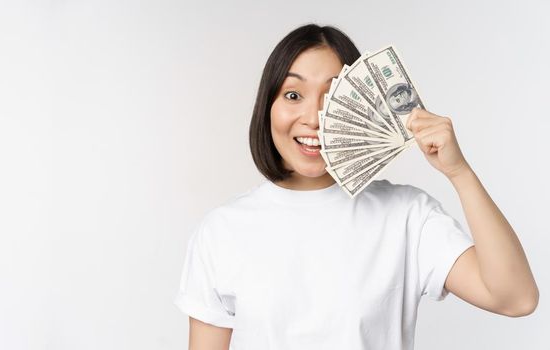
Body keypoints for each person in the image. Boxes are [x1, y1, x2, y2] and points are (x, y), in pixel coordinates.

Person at [173, 24, 538, 350]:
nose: (313, 118)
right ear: (267, 107)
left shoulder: (406, 216)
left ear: (360, 106)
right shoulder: (222, 231)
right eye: (293, 95)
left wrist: (459, 173)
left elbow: (516, 298)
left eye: (331, 97)